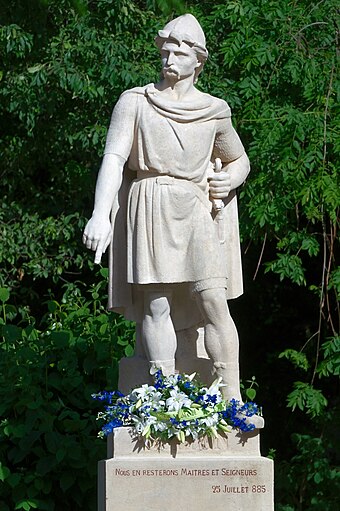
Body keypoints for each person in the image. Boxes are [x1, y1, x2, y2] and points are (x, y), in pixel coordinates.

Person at [83, 14, 250, 401]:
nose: (169, 58)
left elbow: (239, 159)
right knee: (155, 306)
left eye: (178, 52)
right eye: (165, 51)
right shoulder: (135, 102)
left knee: (214, 302)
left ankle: (233, 399)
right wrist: (99, 212)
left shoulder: (214, 110)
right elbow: (114, 156)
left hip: (193, 207)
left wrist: (232, 178)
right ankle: (164, 397)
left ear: (198, 61)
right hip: (150, 203)